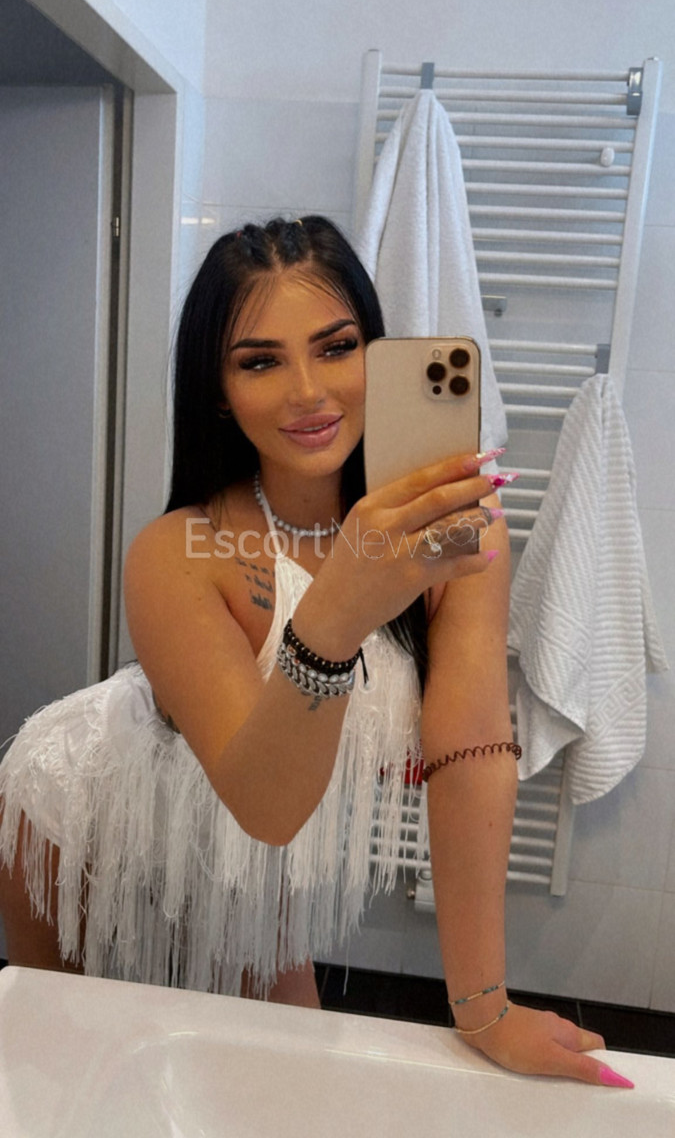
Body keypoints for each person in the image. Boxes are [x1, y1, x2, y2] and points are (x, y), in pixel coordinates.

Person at [0, 216, 630, 1089]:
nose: (307, 391)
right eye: (259, 362)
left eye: (336, 348)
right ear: (219, 391)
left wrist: (483, 1006)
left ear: (376, 353)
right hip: (90, 824)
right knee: (71, 1086)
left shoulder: (458, 530)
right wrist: (339, 607)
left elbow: (470, 751)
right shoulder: (178, 551)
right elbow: (265, 802)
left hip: (255, 861)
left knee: (282, 1088)